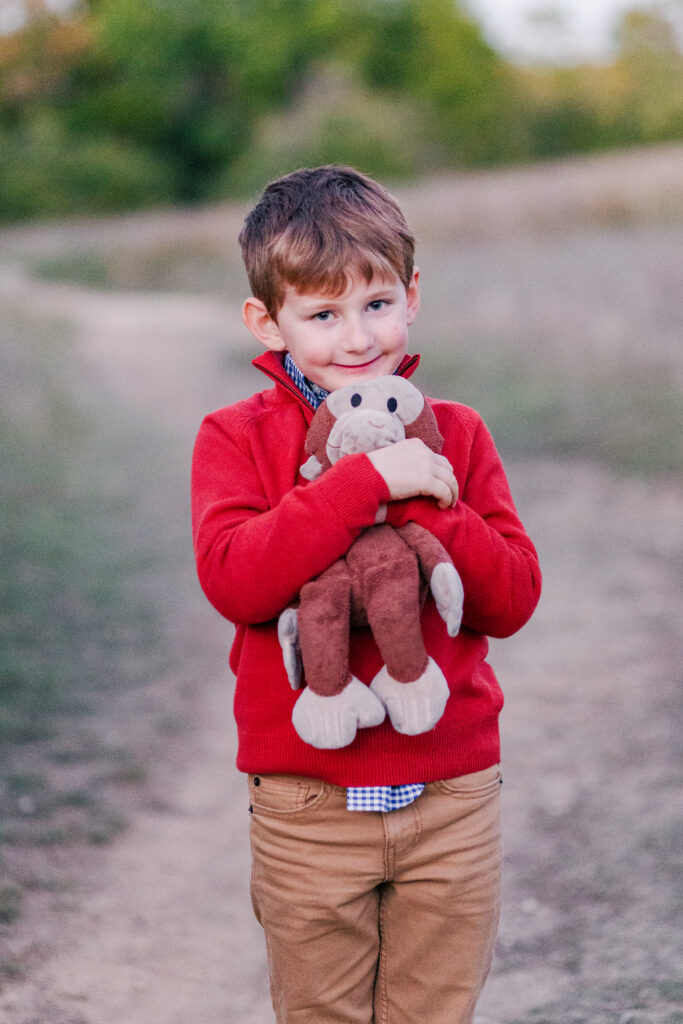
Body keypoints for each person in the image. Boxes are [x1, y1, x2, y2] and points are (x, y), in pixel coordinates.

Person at [191, 165, 541, 1024]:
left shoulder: (456, 433)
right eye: (321, 314)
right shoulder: (234, 438)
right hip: (306, 804)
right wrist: (362, 483)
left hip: (451, 795)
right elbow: (237, 579)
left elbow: (509, 597)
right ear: (266, 321)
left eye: (376, 303)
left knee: (433, 1012)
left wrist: (428, 489)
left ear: (412, 295)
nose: (356, 337)